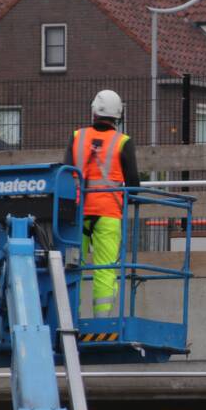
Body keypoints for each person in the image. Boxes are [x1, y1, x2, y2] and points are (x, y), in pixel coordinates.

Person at [63, 89, 140, 318]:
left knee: (72, 266)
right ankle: (102, 320)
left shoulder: (77, 137)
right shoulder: (123, 142)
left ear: (94, 111)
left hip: (77, 213)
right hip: (108, 213)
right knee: (105, 269)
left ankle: (69, 320)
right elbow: (134, 184)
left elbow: (65, 173)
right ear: (119, 115)